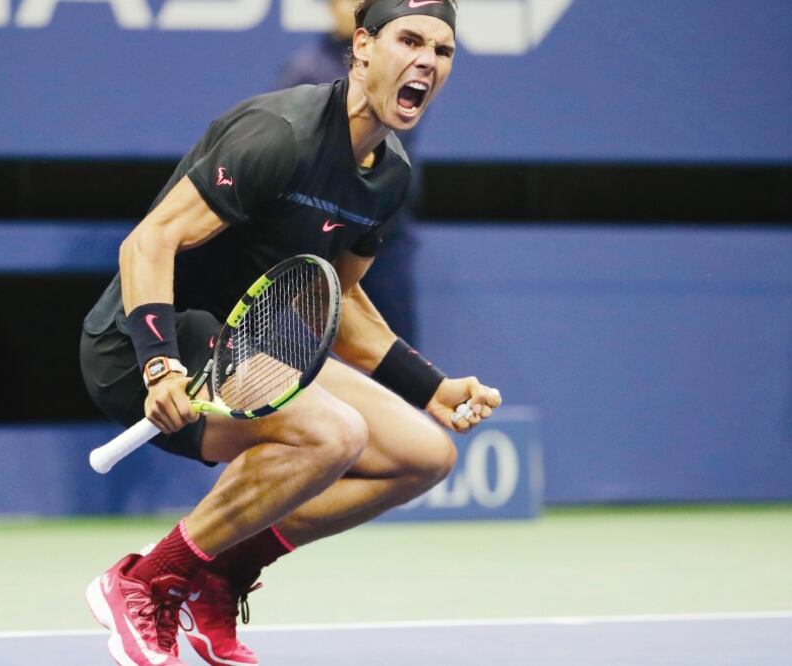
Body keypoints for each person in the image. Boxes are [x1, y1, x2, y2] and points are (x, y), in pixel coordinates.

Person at [79, 1, 502, 665]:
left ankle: (220, 575)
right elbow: (148, 242)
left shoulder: (388, 176)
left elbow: (337, 301)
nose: (426, 61)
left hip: (248, 344)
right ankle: (147, 579)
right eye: (409, 41)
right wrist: (159, 364)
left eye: (442, 51)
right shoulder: (279, 133)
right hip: (144, 344)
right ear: (362, 46)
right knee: (333, 434)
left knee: (425, 455)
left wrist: (430, 388)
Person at [277, 0, 420, 344]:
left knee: (396, 349)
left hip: (383, 237)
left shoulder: (400, 66)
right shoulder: (304, 71)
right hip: (320, 243)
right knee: (310, 352)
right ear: (329, 7)